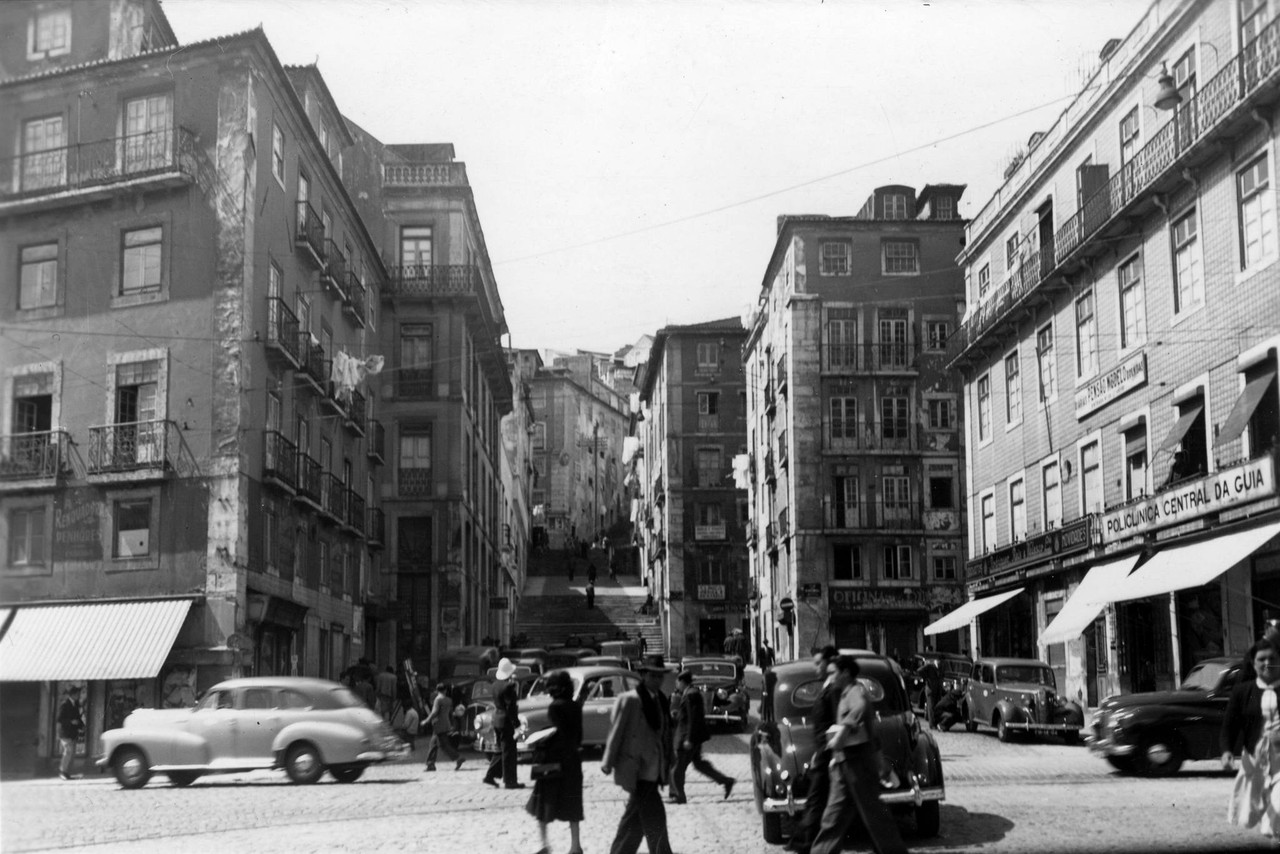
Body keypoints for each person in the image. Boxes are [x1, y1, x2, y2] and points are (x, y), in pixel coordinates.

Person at [809, 656, 908, 854]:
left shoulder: (855, 691)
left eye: (832, 673)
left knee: (876, 817)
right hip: (843, 765)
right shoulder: (843, 693)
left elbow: (860, 708)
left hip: (859, 764)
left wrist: (844, 730)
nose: (829, 677)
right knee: (833, 818)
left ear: (845, 673)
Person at [601, 654, 674, 854]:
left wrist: (669, 759)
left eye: (660, 677)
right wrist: (608, 762)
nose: (657, 681)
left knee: (634, 821)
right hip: (637, 769)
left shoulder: (660, 700)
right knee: (655, 817)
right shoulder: (630, 700)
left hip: (653, 768)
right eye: (653, 676)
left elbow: (665, 732)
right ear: (643, 676)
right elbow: (616, 731)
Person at [1223, 637, 1280, 839]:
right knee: (1249, 814)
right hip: (1254, 759)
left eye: (1272, 658)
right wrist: (1227, 751)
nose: (1267, 663)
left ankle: (1271, 828)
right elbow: (1230, 724)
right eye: (1261, 659)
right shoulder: (1242, 692)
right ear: (1254, 663)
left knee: (1277, 812)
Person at [526, 670, 585, 854]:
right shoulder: (576, 706)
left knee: (543, 803)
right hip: (573, 760)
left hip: (554, 761)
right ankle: (575, 846)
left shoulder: (555, 707)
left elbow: (558, 732)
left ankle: (544, 844)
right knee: (573, 805)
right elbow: (578, 736)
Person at [787, 645, 839, 854]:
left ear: (829, 663)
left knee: (818, 801)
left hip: (829, 754)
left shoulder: (834, 689)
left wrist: (825, 752)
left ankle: (805, 843)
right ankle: (807, 842)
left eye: (819, 663)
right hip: (824, 752)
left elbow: (836, 724)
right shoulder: (827, 686)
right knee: (818, 800)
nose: (816, 667)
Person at [669, 670, 734, 804]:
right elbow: (689, 715)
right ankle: (726, 781)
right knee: (699, 765)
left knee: (677, 768)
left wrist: (689, 739)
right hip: (694, 736)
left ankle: (679, 796)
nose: (676, 685)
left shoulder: (690, 695)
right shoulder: (690, 693)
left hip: (688, 737)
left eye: (677, 682)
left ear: (682, 682)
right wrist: (678, 714)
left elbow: (694, 718)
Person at [484, 658, 525, 789]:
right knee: (509, 752)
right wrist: (517, 724)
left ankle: (490, 775)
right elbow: (511, 708)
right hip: (506, 721)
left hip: (497, 719)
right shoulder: (508, 687)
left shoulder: (495, 685)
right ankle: (510, 780)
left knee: (501, 750)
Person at [424, 682, 463, 772]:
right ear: (445, 690)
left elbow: (434, 712)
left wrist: (427, 720)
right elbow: (450, 713)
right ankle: (431, 763)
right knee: (436, 744)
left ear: (437, 690)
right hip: (446, 724)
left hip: (438, 724)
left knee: (441, 745)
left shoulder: (438, 700)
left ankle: (457, 757)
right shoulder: (448, 700)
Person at [56, 685, 85, 780]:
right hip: (65, 732)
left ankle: (66, 772)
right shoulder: (65, 704)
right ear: (73, 695)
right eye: (77, 694)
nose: (79, 695)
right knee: (68, 751)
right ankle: (62, 771)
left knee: (71, 754)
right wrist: (70, 722)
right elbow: (59, 719)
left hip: (72, 733)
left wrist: (82, 726)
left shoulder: (75, 704)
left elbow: (78, 717)